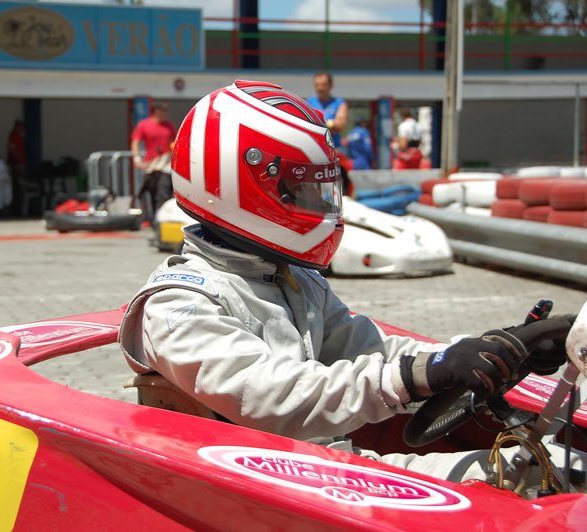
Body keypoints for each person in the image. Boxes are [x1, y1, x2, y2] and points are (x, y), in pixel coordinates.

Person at [119, 80, 580, 486]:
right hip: (270, 484)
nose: (318, 204)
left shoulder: (292, 278)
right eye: (301, 191)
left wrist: (488, 351)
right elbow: (270, 397)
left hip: (331, 468)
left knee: (560, 466)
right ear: (237, 186)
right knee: (535, 482)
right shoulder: (179, 303)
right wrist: (419, 376)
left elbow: (375, 351)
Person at [130, 100, 176, 222]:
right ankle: (153, 218)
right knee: (152, 191)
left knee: (163, 192)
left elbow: (175, 140)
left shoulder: (169, 125)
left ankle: (162, 219)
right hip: (151, 164)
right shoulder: (144, 125)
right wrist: (137, 158)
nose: (167, 113)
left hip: (166, 164)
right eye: (164, 110)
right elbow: (135, 142)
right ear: (156, 111)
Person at [306, 71, 348, 150]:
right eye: (317, 85)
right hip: (314, 149)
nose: (320, 88)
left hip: (335, 149)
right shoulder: (308, 103)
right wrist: (329, 125)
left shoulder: (340, 103)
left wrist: (317, 126)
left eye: (323, 85)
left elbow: (340, 126)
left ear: (331, 85)